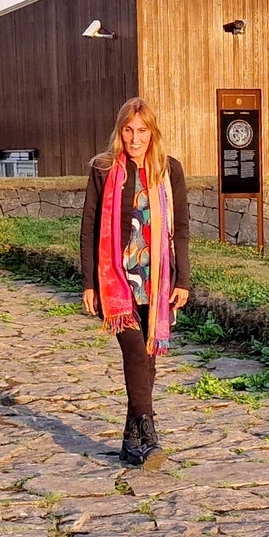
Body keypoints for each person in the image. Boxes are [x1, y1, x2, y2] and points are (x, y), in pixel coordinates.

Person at [79, 97, 191, 468]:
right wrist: (90, 283)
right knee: (134, 353)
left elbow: (182, 230)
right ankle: (150, 434)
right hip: (116, 281)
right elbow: (90, 227)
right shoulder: (104, 169)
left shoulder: (168, 170)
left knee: (148, 358)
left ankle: (132, 443)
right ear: (120, 130)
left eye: (141, 130)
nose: (135, 137)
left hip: (157, 280)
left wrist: (183, 279)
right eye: (128, 129)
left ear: (152, 132)